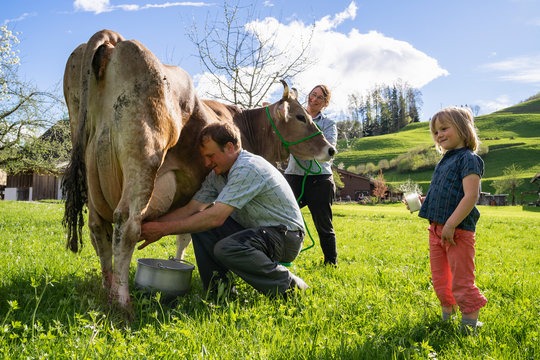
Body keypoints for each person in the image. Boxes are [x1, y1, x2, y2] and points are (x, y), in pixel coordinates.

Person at [138, 122, 308, 297]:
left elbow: (216, 218)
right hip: (256, 231)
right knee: (200, 224)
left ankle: (292, 288)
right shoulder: (218, 175)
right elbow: (192, 209)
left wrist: (162, 230)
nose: (206, 163)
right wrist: (149, 226)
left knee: (227, 247)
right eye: (204, 157)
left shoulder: (247, 168)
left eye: (211, 156)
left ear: (229, 147)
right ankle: (219, 291)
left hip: (285, 237)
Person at [410, 106, 487, 333]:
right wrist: (422, 202)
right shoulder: (444, 160)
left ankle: (469, 326)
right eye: (435, 132)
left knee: (461, 280)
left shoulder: (469, 159)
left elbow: (471, 196)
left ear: (463, 129)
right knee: (440, 279)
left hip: (458, 231)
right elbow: (445, 193)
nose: (439, 135)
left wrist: (451, 224)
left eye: (444, 128)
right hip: (436, 231)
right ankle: (447, 318)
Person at [284, 84, 338, 265]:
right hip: (293, 175)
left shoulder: (329, 124)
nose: (314, 99)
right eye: (313, 95)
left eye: (320, 98)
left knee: (324, 225)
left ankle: (331, 262)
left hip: (320, 180)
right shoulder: (293, 118)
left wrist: (307, 124)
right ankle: (277, 256)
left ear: (326, 104)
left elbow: (328, 151)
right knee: (281, 217)